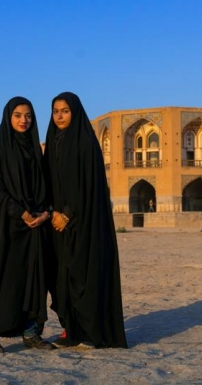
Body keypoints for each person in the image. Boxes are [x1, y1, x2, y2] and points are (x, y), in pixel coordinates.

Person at [43, 92, 127, 349]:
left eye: (65, 111)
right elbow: (47, 183)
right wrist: (52, 212)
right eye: (56, 111)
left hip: (83, 221)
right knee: (62, 277)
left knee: (83, 275)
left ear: (75, 112)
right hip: (57, 223)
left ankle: (91, 333)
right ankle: (71, 330)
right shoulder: (52, 141)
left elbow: (87, 185)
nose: (59, 116)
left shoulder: (86, 143)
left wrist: (67, 214)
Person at [0, 97, 55, 354]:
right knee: (5, 277)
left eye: (28, 116)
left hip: (36, 225)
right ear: (8, 117)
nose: (23, 120)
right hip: (10, 226)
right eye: (17, 115)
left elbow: (47, 187)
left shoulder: (36, 149)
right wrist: (21, 213)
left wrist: (46, 213)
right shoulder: (0, 147)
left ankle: (31, 332)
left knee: (35, 278)